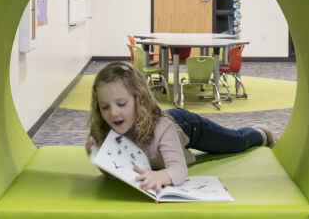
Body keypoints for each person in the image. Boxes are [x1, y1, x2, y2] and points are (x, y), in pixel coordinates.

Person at [86, 60, 275, 193]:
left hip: (188, 127)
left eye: (121, 104)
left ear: (140, 100)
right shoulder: (108, 130)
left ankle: (261, 133)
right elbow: (116, 172)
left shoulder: (162, 127)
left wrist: (161, 177)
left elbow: (178, 169)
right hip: (162, 128)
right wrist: (99, 155)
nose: (113, 113)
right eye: (105, 107)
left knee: (237, 142)